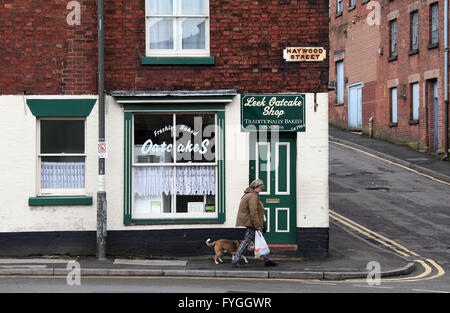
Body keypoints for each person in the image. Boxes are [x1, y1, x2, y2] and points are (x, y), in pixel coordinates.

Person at [232, 179, 278, 268]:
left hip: (253, 222)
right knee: (246, 242)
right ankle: (235, 260)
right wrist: (258, 225)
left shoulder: (250, 195)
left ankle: (267, 260)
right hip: (252, 223)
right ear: (255, 187)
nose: (261, 190)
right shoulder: (252, 196)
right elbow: (253, 212)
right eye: (260, 188)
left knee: (260, 240)